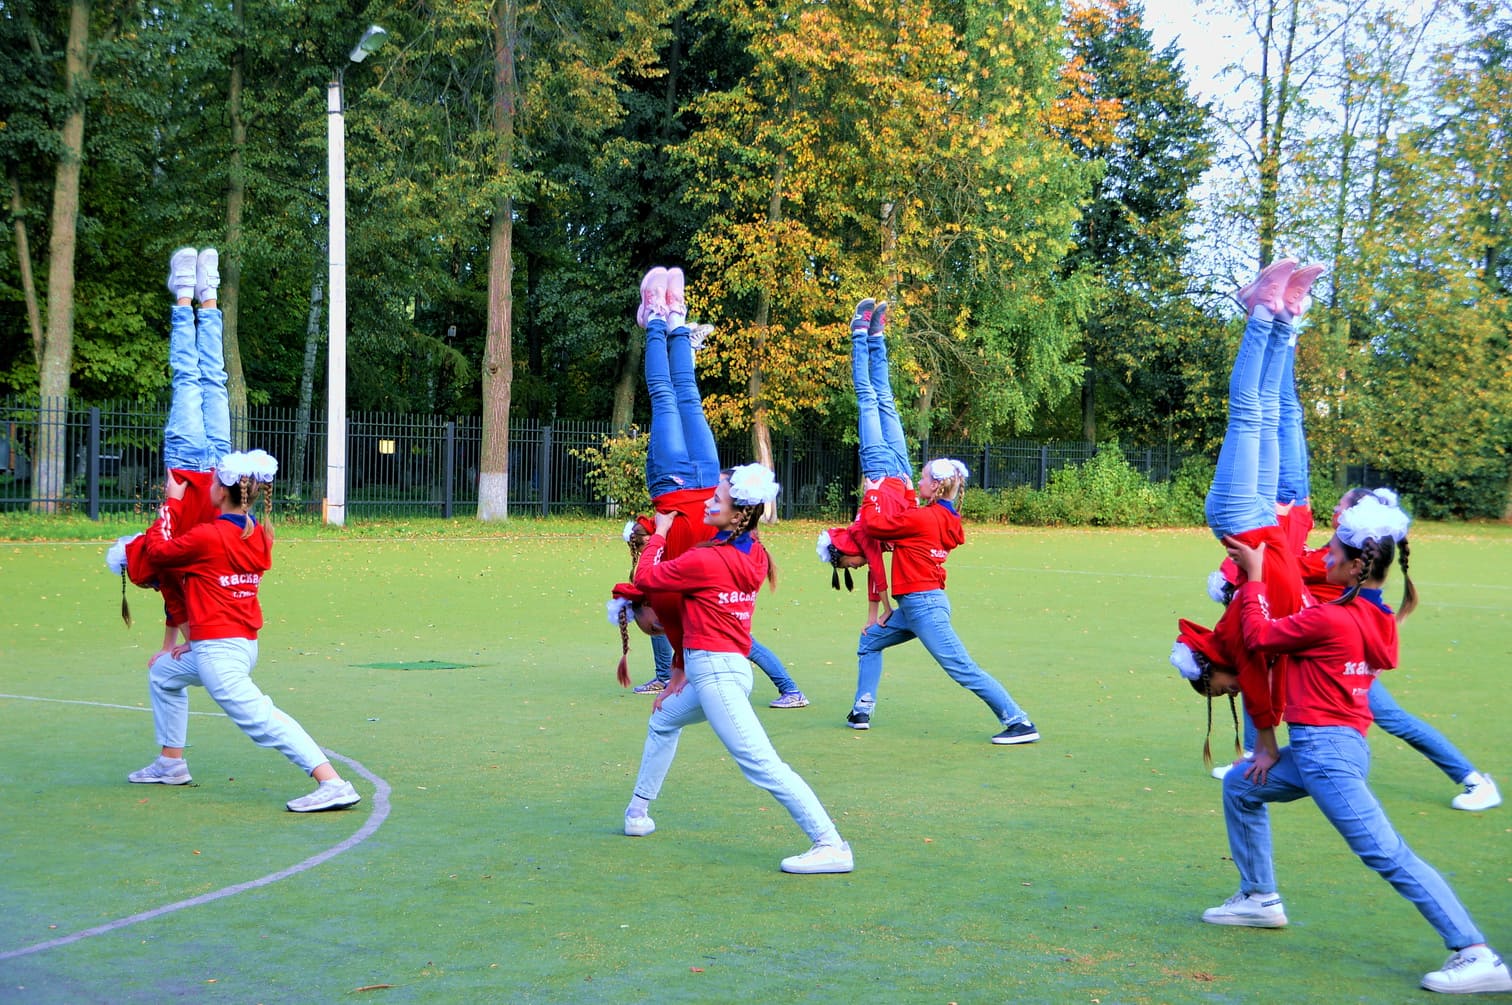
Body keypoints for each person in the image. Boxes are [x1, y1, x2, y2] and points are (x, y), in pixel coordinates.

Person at [1202, 496, 1511, 996]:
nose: (1322, 560)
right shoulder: (1375, 616)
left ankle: (1475, 952)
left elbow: (1257, 636)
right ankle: (1260, 898)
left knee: (1387, 854)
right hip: (1327, 750)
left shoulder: (1330, 619)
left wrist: (1256, 576)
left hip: (1326, 758)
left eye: (1332, 556)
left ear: (1352, 565)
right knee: (1240, 786)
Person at [622, 465, 853, 874]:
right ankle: (637, 813)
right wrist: (679, 671)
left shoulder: (706, 560)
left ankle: (831, 844)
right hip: (719, 671)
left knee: (763, 765)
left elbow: (646, 580)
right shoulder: (756, 554)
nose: (707, 501)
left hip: (716, 677)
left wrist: (658, 533)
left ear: (738, 514)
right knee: (663, 720)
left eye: (717, 498)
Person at [610, 267, 809, 709]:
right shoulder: (677, 597)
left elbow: (652, 561)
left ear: (643, 609)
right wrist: (677, 673)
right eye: (656, 629)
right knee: (687, 395)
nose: (658, 626)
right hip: (706, 480)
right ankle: (674, 321)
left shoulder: (658, 586)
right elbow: (678, 637)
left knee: (665, 395)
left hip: (671, 483)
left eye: (650, 626)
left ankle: (658, 320)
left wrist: (649, 530)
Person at [1171, 259, 1321, 772]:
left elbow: (1258, 689)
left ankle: (1258, 312)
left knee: (1251, 410)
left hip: (1238, 516)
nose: (1226, 692)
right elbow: (1264, 685)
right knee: (1273, 412)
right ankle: (1284, 318)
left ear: (1211, 669)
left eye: (1216, 690)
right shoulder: (1248, 647)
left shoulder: (1238, 641)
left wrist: (1266, 743)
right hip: (1267, 519)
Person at [846, 456, 1039, 744]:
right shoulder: (944, 516)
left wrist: (872, 493)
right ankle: (861, 711)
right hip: (918, 605)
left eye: (923, 478)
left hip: (923, 606)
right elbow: (909, 524)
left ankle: (1018, 721)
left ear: (936, 485)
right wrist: (910, 494)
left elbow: (875, 526)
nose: (919, 481)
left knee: (963, 668)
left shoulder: (923, 518)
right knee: (870, 641)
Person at [815, 298, 915, 629]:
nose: (854, 568)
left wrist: (881, 612)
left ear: (843, 551)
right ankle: (877, 337)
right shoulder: (868, 545)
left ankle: (859, 332)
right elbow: (875, 569)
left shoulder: (865, 533)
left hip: (878, 467)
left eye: (848, 566)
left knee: (868, 398)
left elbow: (876, 571)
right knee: (885, 398)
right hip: (901, 470)